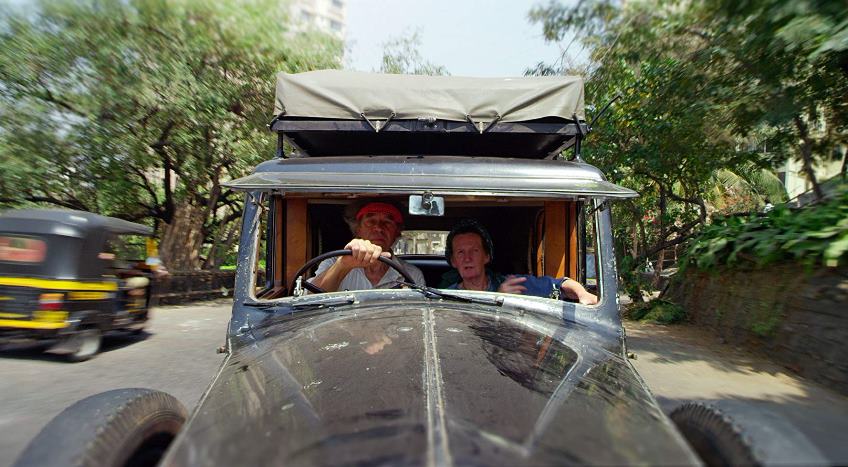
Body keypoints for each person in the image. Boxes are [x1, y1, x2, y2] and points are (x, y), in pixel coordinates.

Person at [444, 219, 598, 305]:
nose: (467, 258)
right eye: (460, 252)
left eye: (474, 251)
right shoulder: (446, 298)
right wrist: (498, 299)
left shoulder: (513, 285)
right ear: (453, 261)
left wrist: (582, 293)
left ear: (487, 256)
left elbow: (561, 285)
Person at [309, 201, 425, 292]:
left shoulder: (412, 274)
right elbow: (308, 303)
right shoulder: (334, 263)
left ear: (397, 232)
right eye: (371, 221)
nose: (378, 228)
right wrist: (343, 265)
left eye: (387, 223)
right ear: (358, 230)